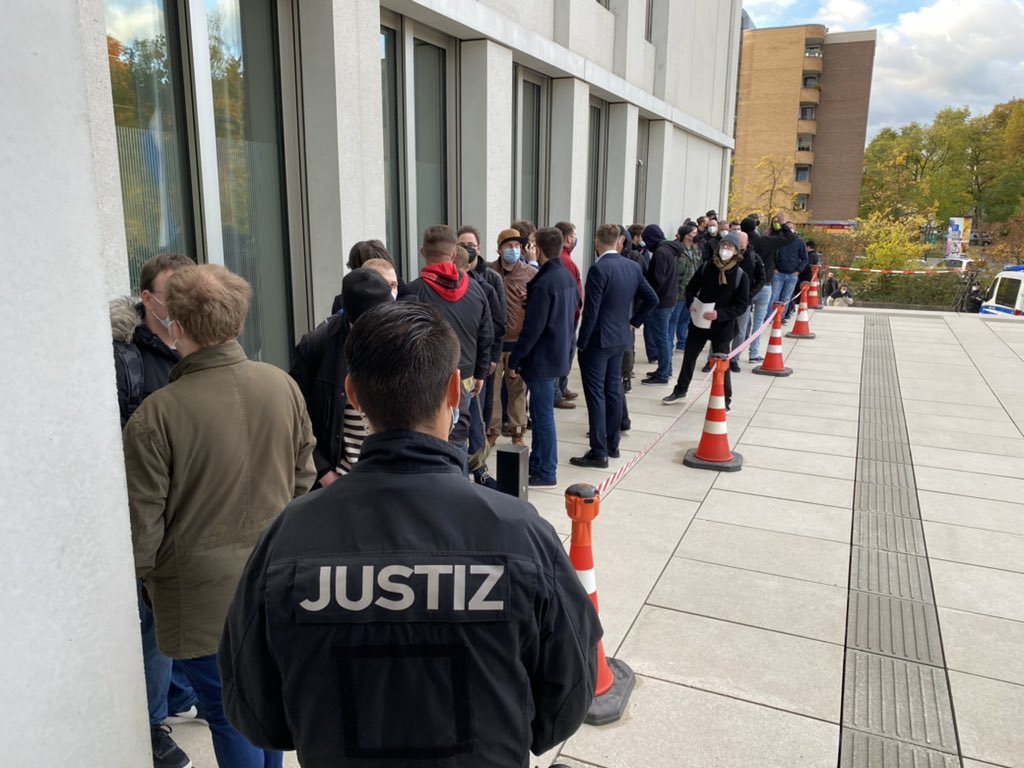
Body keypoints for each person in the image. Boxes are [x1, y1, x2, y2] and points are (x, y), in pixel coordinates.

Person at [218, 301, 603, 768]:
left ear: (352, 394)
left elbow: (256, 712)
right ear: (454, 391)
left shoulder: (289, 538)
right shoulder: (520, 534)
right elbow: (567, 698)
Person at [123, 264, 317, 768]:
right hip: (273, 579)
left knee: (230, 713)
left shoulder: (156, 415)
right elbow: (303, 478)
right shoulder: (281, 386)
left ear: (176, 325)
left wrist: (141, 582)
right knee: (261, 706)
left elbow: (143, 527)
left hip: (199, 596)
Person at [110, 253, 199, 768]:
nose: (183, 306)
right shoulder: (126, 359)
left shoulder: (193, 348)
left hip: (189, 507)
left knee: (170, 620)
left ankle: (178, 693)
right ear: (148, 299)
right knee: (151, 620)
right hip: (148, 513)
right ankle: (152, 726)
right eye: (173, 295)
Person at [289, 269, 394, 488]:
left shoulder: (405, 339)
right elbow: (296, 415)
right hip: (339, 480)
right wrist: (324, 472)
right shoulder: (317, 345)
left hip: (393, 476)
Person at [571, 224, 658, 469]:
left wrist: (582, 342)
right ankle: (612, 444)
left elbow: (591, 311)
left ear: (597, 241)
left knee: (596, 395)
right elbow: (652, 298)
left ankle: (599, 451)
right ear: (619, 241)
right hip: (620, 337)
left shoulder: (598, 269)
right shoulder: (632, 266)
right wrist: (634, 322)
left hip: (599, 340)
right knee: (613, 390)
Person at [408, 225, 494, 462]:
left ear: (422, 252)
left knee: (428, 442)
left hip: (425, 380)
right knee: (458, 438)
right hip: (464, 377)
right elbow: (486, 334)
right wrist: (480, 373)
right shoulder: (476, 289)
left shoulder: (413, 292)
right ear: (455, 253)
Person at [508, 228, 578, 487]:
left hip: (542, 359)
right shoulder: (564, 275)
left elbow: (533, 328)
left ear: (538, 249)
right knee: (541, 415)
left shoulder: (545, 281)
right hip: (556, 354)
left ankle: (546, 470)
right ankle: (538, 463)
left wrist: (515, 359)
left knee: (542, 416)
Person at [663, 237, 751, 409]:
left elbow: (742, 305)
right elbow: (691, 288)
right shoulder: (707, 267)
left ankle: (725, 399)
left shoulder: (741, 275)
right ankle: (680, 390)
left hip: (722, 325)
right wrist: (692, 303)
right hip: (700, 321)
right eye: (723, 245)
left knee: (721, 364)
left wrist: (720, 314)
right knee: (689, 357)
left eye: (730, 246)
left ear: (736, 251)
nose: (725, 248)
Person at [454, 244, 504, 488]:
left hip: (472, 371)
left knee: (474, 422)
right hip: (462, 371)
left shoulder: (483, 288)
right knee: (461, 428)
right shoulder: (429, 290)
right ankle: (465, 474)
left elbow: (494, 328)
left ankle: (479, 469)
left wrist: (485, 365)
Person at [458, 226, 507, 444]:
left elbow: (498, 323)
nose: (467, 249)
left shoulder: (489, 281)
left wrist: (493, 356)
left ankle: (478, 454)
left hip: (480, 356)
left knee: (478, 409)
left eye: (471, 245)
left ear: (479, 248)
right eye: (462, 245)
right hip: (459, 360)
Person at [490, 228, 535, 446]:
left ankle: (518, 431)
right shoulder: (488, 272)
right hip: (495, 343)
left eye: (517, 246)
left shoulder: (530, 274)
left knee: (518, 390)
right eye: (509, 245)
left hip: (518, 344)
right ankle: (492, 431)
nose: (514, 249)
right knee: (493, 391)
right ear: (499, 249)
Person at [640, 224, 681, 385]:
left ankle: (663, 374)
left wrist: (647, 294)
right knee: (664, 338)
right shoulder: (669, 250)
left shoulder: (661, 252)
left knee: (661, 338)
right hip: (669, 299)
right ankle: (665, 369)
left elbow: (657, 280)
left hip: (661, 302)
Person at [553, 220, 584, 407]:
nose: (575, 239)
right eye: (573, 236)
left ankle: (562, 388)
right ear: (567, 238)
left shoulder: (565, 258)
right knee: (563, 353)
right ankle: (556, 393)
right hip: (568, 316)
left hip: (572, 314)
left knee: (568, 352)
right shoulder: (565, 261)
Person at [741, 218, 774, 362]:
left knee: (742, 324)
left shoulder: (741, 244)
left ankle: (736, 353)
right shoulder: (767, 242)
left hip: (746, 287)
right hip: (764, 285)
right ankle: (753, 353)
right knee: (758, 322)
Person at [669, 224, 702, 353]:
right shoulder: (677, 250)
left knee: (685, 319)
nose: (696, 235)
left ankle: (682, 343)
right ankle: (669, 346)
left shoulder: (696, 250)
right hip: (678, 291)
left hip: (692, 291)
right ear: (687, 235)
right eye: (694, 233)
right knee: (674, 319)